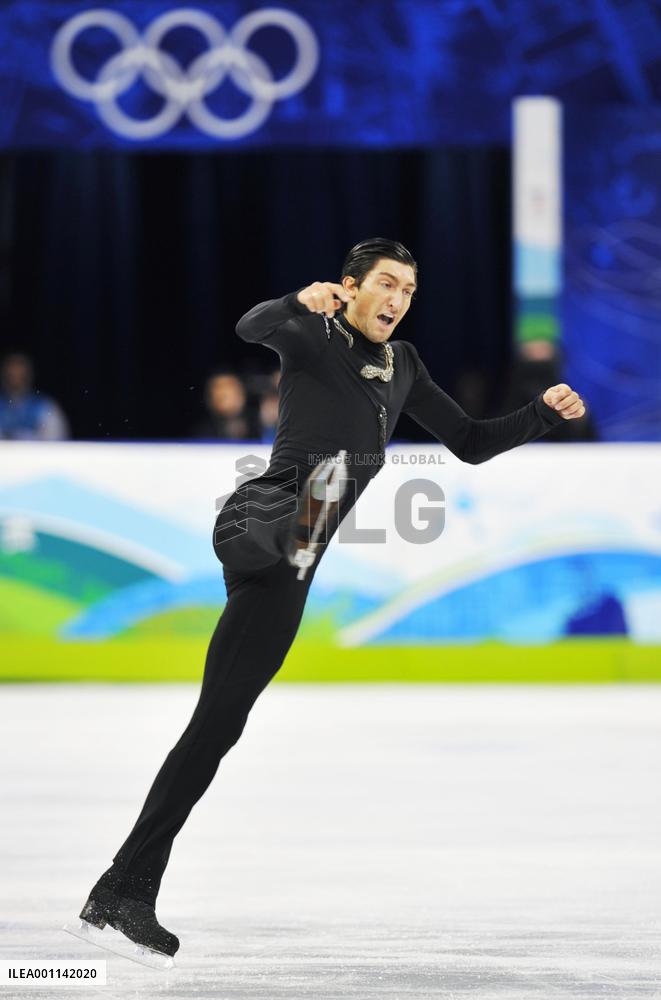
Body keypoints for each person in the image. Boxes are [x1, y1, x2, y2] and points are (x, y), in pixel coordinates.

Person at [75, 238, 585, 963]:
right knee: (301, 509)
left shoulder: (403, 364)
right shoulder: (313, 335)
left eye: (408, 290)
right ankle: (121, 891)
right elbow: (251, 326)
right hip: (262, 517)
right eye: (386, 283)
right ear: (350, 287)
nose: (398, 299)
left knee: (217, 728)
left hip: (298, 556)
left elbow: (469, 441)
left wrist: (540, 414)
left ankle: (122, 892)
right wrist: (296, 301)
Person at [0, 352, 69, 440]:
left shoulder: (45, 406)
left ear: (29, 375)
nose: (15, 379)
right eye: (11, 375)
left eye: (20, 375)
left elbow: (57, 437)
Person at [191, 371, 258, 440]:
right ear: (210, 399)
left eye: (234, 394)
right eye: (223, 397)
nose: (230, 402)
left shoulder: (258, 424)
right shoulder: (202, 435)